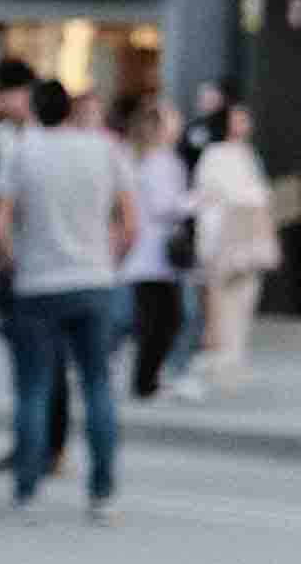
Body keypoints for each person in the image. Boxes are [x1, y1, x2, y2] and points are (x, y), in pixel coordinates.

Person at [0, 78, 136, 519]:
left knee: (33, 389)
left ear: (35, 109)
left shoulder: (23, 152)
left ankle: (27, 490)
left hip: (37, 284)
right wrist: (110, 262)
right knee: (97, 386)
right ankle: (102, 492)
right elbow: (130, 223)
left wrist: (12, 261)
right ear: (70, 111)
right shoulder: (105, 150)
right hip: (93, 280)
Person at [188, 102, 277, 381]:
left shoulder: (246, 154)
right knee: (222, 302)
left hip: (247, 239)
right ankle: (222, 355)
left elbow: (259, 195)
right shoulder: (214, 155)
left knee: (244, 297)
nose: (244, 124)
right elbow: (222, 197)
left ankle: (233, 354)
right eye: (237, 119)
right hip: (222, 240)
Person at [116, 95, 192, 398]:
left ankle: (147, 378)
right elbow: (166, 206)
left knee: (154, 318)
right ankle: (146, 381)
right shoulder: (162, 161)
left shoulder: (138, 158)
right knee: (165, 319)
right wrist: (195, 201)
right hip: (156, 253)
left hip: (143, 254)